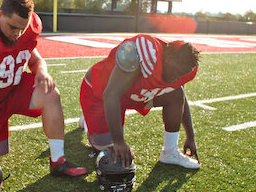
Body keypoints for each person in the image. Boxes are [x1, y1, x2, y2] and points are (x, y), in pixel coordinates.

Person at [0, 0, 86, 177]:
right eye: (13, 27)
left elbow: (35, 59)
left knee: (51, 93)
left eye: (21, 29)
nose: (17, 34)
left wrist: (42, 72)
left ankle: (58, 160)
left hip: (12, 90)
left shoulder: (29, 26)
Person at [79, 34, 201, 169]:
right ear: (166, 58)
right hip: (101, 91)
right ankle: (87, 121)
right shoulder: (140, 53)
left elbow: (180, 96)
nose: (177, 77)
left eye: (181, 74)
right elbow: (111, 94)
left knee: (175, 93)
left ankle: (170, 152)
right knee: (106, 150)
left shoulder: (185, 68)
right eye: (175, 71)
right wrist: (119, 141)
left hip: (136, 94)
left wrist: (190, 136)